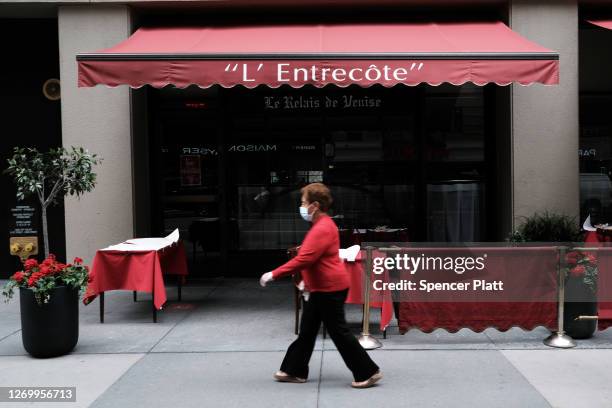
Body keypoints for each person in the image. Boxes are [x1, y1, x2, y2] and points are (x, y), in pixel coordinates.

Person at [259, 182, 382, 389]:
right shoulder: (322, 225)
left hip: (329, 289)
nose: (302, 206)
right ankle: (294, 371)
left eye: (303, 202)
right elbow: (314, 259)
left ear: (314, 205)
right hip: (322, 287)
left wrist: (274, 274)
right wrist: (307, 282)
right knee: (307, 331)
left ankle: (368, 371)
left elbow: (304, 259)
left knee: (338, 333)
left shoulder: (322, 228)